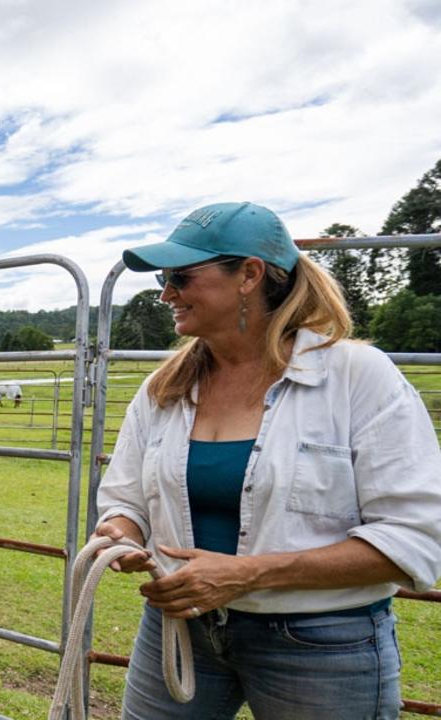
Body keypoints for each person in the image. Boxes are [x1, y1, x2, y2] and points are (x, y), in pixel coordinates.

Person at [94, 202, 441, 719]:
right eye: (166, 279)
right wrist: (119, 533)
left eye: (181, 277)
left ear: (249, 275)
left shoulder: (357, 377)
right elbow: (125, 499)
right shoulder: (163, 388)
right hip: (180, 627)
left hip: (320, 644)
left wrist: (250, 574)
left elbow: (415, 539)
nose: (167, 293)